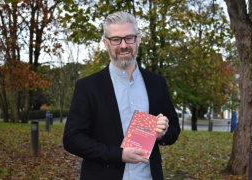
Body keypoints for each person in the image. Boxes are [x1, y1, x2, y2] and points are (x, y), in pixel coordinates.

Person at [63, 11, 181, 180]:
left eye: (129, 38)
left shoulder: (157, 83)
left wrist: (163, 133)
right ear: (106, 43)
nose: (123, 45)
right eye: (116, 39)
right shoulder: (88, 86)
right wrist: (119, 155)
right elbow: (72, 139)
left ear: (138, 40)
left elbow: (174, 128)